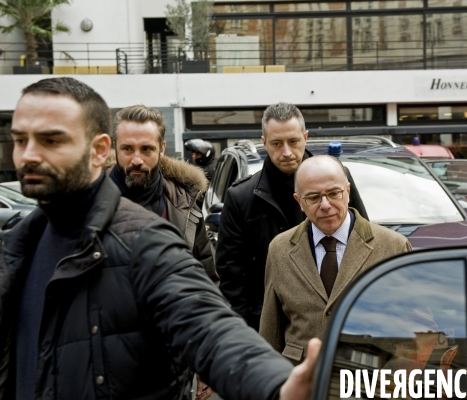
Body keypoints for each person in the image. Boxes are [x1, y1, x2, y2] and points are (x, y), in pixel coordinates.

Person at [0, 77, 319, 400]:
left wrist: (274, 385)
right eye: (19, 140)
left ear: (98, 150)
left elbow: (206, 320)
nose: (28, 155)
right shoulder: (17, 245)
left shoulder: (143, 240)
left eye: (50, 141)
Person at [216, 102, 369, 330]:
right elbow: (232, 277)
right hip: (265, 321)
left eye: (293, 141)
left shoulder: (337, 176)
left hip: (339, 317)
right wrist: (243, 336)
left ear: (305, 137)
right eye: (277, 143)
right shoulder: (241, 197)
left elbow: (364, 240)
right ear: (264, 142)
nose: (286, 152)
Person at [259, 155, 411, 364]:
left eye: (333, 194)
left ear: (347, 192)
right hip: (302, 380)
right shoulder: (280, 248)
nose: (325, 205)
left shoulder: (393, 246)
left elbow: (414, 329)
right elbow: (271, 331)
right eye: (313, 197)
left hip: (368, 381)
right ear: (299, 202)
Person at [108, 105, 217, 283]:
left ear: (162, 148)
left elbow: (207, 280)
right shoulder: (85, 202)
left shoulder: (184, 202)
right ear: (115, 147)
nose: (137, 160)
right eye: (127, 149)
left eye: (146, 149)